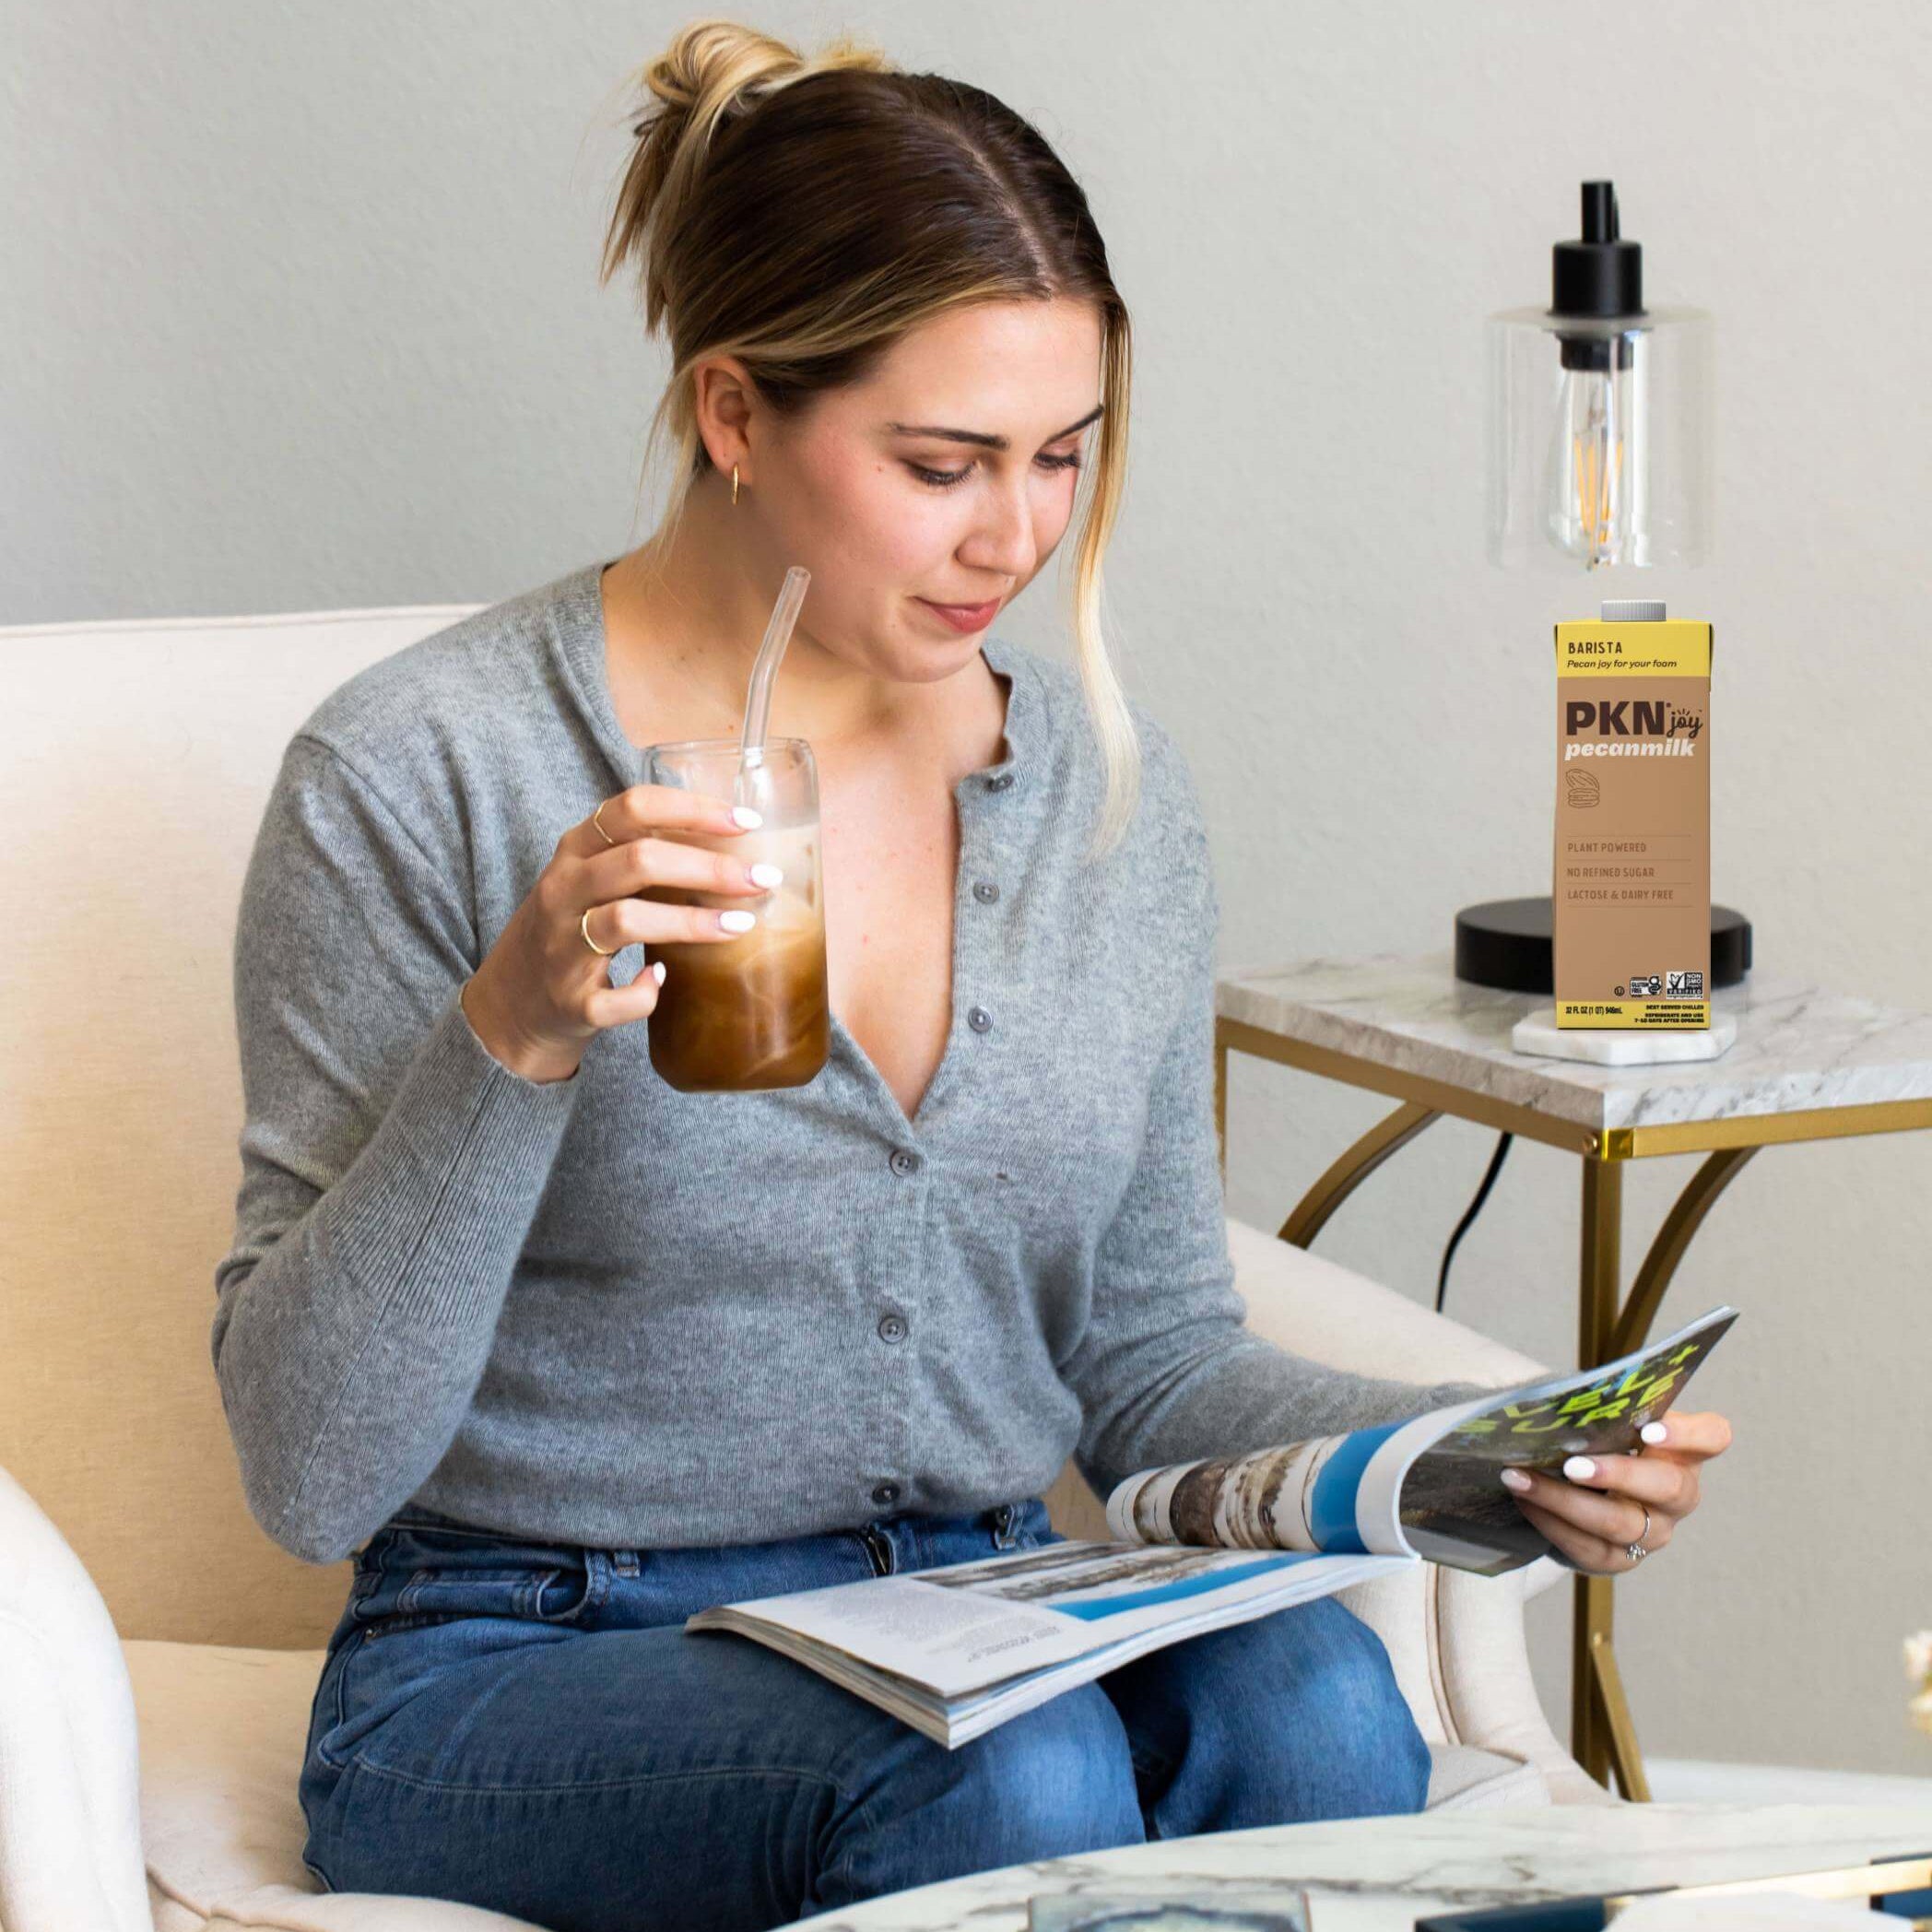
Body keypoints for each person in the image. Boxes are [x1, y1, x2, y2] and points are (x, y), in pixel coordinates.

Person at [212, 21, 1732, 1931]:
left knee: (1317, 1697)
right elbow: (308, 1468)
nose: (1014, 535)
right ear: (736, 412)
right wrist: (508, 1033)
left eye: (1061, 457)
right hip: (522, 1653)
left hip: (979, 1603)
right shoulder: (423, 769)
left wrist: (1475, 1463)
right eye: (941, 463)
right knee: (1000, 1766)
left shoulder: (1102, 782)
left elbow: (1145, 1352)